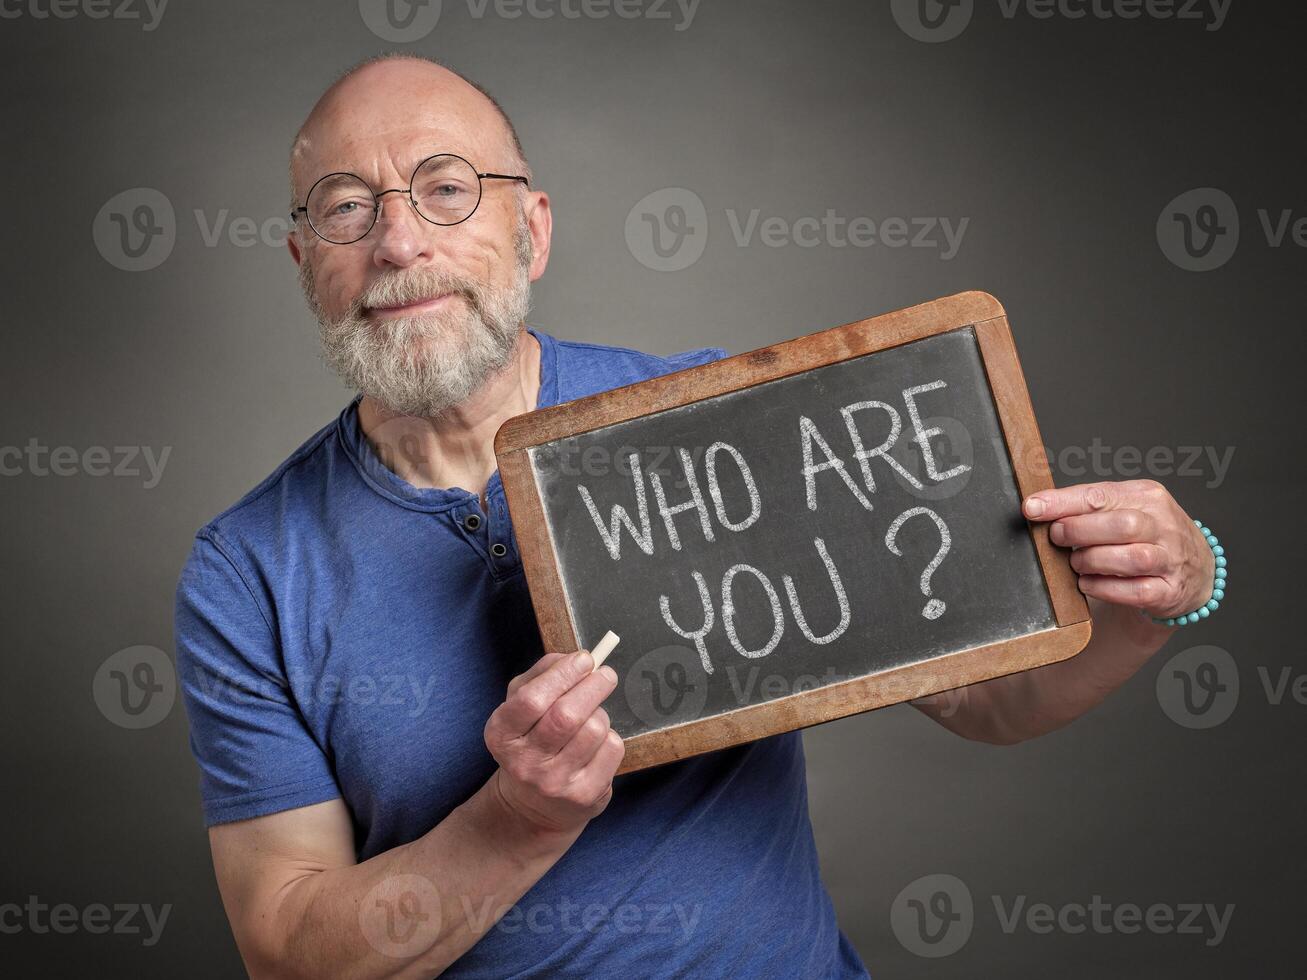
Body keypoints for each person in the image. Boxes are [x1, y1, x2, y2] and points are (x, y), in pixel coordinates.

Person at [174, 53, 1218, 978]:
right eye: (347, 208)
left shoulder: (717, 416)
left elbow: (988, 698)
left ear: (529, 229)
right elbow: (290, 946)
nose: (399, 241)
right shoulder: (245, 571)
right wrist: (515, 819)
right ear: (304, 258)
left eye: (446, 188)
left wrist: (1156, 592)